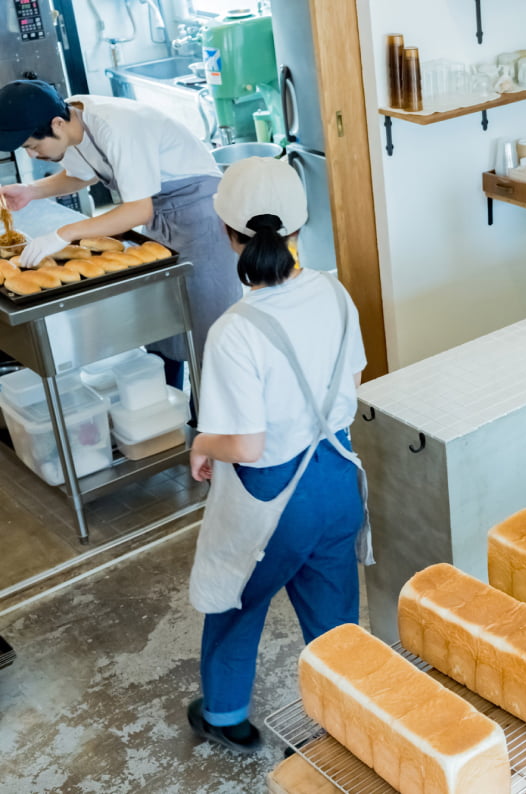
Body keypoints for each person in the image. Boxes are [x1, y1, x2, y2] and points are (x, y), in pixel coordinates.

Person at [185, 156, 369, 753]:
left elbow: (245, 444)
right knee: (335, 612)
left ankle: (225, 714)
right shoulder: (337, 293)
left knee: (235, 599)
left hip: (273, 498)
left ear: (226, 231)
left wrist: (200, 443)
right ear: (300, 226)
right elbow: (352, 383)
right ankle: (347, 721)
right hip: (338, 475)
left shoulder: (236, 329)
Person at [0, 79, 242, 376]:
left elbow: (137, 210)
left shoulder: (116, 127)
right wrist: (31, 191)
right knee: (164, 317)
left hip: (199, 210)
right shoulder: (73, 121)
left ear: (57, 124)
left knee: (207, 321)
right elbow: (82, 175)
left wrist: (64, 234)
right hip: (160, 212)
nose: (33, 155)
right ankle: (167, 404)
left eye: (33, 146)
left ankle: (209, 415)